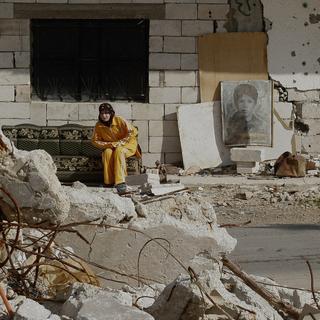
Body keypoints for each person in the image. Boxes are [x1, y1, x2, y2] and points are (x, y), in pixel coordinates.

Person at [91, 103, 141, 194]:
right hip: (113, 146)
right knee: (107, 152)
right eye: (102, 113)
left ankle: (121, 182)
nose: (104, 116)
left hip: (128, 145)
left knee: (119, 150)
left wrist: (121, 143)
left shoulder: (119, 120)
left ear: (111, 113)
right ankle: (108, 182)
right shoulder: (99, 125)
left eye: (106, 113)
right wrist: (109, 145)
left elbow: (133, 131)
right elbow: (95, 141)